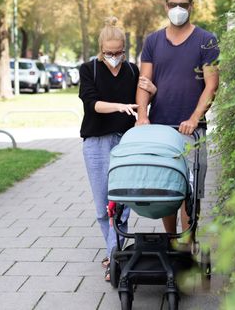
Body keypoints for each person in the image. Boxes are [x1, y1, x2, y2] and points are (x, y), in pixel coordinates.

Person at [135, 0, 220, 239]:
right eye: (173, 5)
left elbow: (212, 85)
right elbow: (144, 83)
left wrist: (194, 118)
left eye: (183, 5)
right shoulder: (153, 41)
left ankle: (188, 243)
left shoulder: (207, 41)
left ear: (191, 6)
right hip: (161, 129)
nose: (178, 9)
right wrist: (142, 116)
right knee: (165, 188)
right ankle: (171, 243)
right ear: (166, 6)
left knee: (190, 192)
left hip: (192, 132)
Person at [79, 17, 156, 281]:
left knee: (121, 201)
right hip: (96, 142)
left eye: (118, 52)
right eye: (109, 53)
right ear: (101, 49)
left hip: (126, 141)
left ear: (124, 48)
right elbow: (92, 104)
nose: (114, 57)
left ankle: (115, 255)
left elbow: (144, 100)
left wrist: (153, 91)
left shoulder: (133, 71)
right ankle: (115, 251)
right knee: (103, 207)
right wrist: (118, 107)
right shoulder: (89, 69)